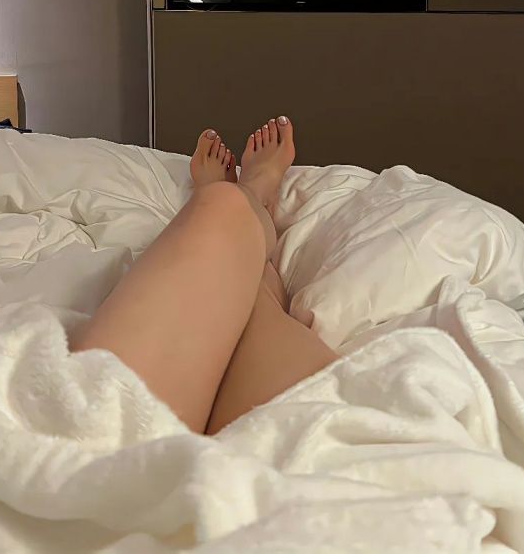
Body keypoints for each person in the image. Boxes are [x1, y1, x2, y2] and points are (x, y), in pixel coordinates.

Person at [70, 116, 338, 434]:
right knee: (224, 209)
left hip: (99, 441)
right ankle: (253, 203)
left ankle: (246, 214)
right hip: (293, 443)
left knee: (222, 204)